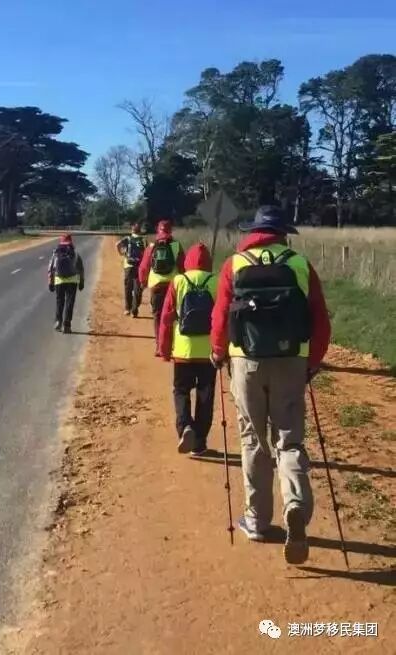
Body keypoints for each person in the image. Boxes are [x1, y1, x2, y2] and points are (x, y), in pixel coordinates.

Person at [210, 205, 331, 565]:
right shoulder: (300, 265)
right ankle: (295, 504)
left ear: (252, 233)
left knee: (252, 438)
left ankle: (257, 520)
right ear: (282, 234)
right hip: (291, 360)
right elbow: (320, 319)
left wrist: (218, 352)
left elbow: (220, 315)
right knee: (289, 439)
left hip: (245, 361)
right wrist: (312, 361)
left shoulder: (235, 264)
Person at [159, 243, 218, 456]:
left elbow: (166, 318)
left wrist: (164, 348)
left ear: (188, 262)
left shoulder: (178, 281)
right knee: (206, 394)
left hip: (183, 350)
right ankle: (200, 442)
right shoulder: (216, 281)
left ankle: (185, 426)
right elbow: (223, 317)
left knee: (181, 390)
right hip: (208, 352)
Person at [138, 219, 185, 356]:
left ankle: (159, 347)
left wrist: (143, 282)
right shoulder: (177, 246)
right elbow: (183, 266)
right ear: (170, 231)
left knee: (158, 316)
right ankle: (172, 345)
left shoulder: (152, 246)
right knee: (173, 316)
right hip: (173, 286)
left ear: (158, 230)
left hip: (156, 286)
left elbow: (144, 267)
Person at [48, 234, 85, 334]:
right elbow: (80, 269)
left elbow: (51, 267)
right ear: (70, 241)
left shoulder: (56, 253)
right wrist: (81, 282)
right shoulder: (75, 253)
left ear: (61, 241)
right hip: (72, 281)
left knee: (59, 301)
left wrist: (50, 281)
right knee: (70, 302)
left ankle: (58, 321)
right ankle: (67, 325)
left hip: (59, 280)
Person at [115, 224, 147, 317]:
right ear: (140, 231)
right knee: (138, 289)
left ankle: (127, 309)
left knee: (128, 288)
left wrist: (121, 253)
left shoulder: (128, 239)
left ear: (132, 231)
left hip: (128, 266)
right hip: (139, 267)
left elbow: (117, 244)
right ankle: (134, 310)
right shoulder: (144, 240)